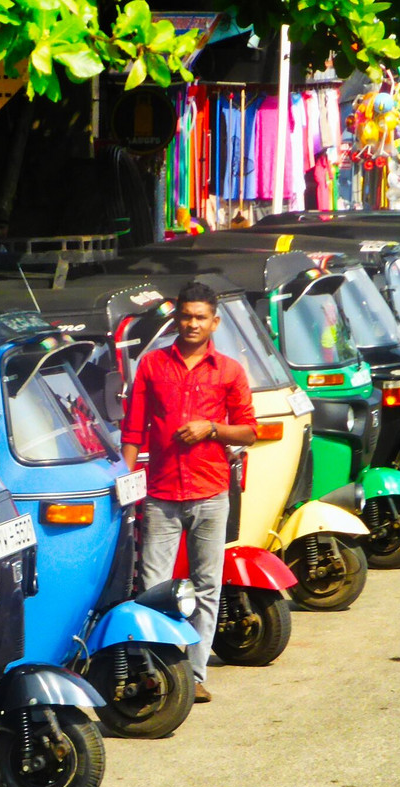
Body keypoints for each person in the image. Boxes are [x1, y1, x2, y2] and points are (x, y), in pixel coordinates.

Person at [120, 282, 257, 703]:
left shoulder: (230, 370)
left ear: (215, 322)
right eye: (186, 316)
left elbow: (249, 430)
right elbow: (133, 428)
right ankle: (157, 672)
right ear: (175, 319)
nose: (192, 323)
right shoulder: (152, 365)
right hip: (160, 495)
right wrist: (126, 484)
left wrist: (211, 429)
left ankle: (195, 675)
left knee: (207, 586)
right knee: (152, 587)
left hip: (211, 492)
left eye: (201, 317)